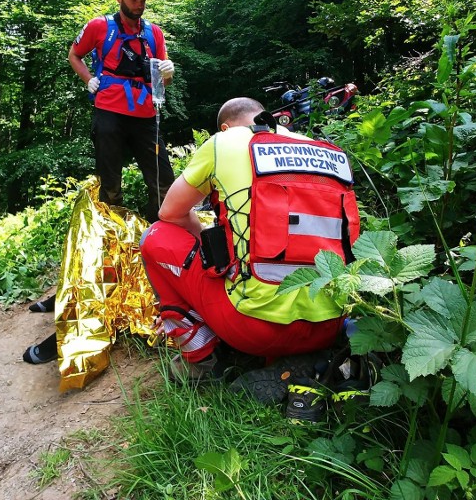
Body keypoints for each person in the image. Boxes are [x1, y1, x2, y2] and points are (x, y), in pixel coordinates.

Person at [139, 98, 361, 402]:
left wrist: (209, 244)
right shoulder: (321, 147)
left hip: (255, 330)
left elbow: (171, 213)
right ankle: (312, 356)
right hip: (328, 323)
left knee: (155, 236)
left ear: (226, 127)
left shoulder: (224, 142)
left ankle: (203, 361)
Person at [68, 0, 175, 222]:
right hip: (109, 110)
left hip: (145, 113)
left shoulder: (154, 33)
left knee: (163, 180)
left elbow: (163, 81)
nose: (139, 3)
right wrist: (88, 80)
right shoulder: (99, 26)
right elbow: (74, 54)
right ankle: (112, 236)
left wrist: (168, 73)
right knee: (110, 182)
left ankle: (159, 233)